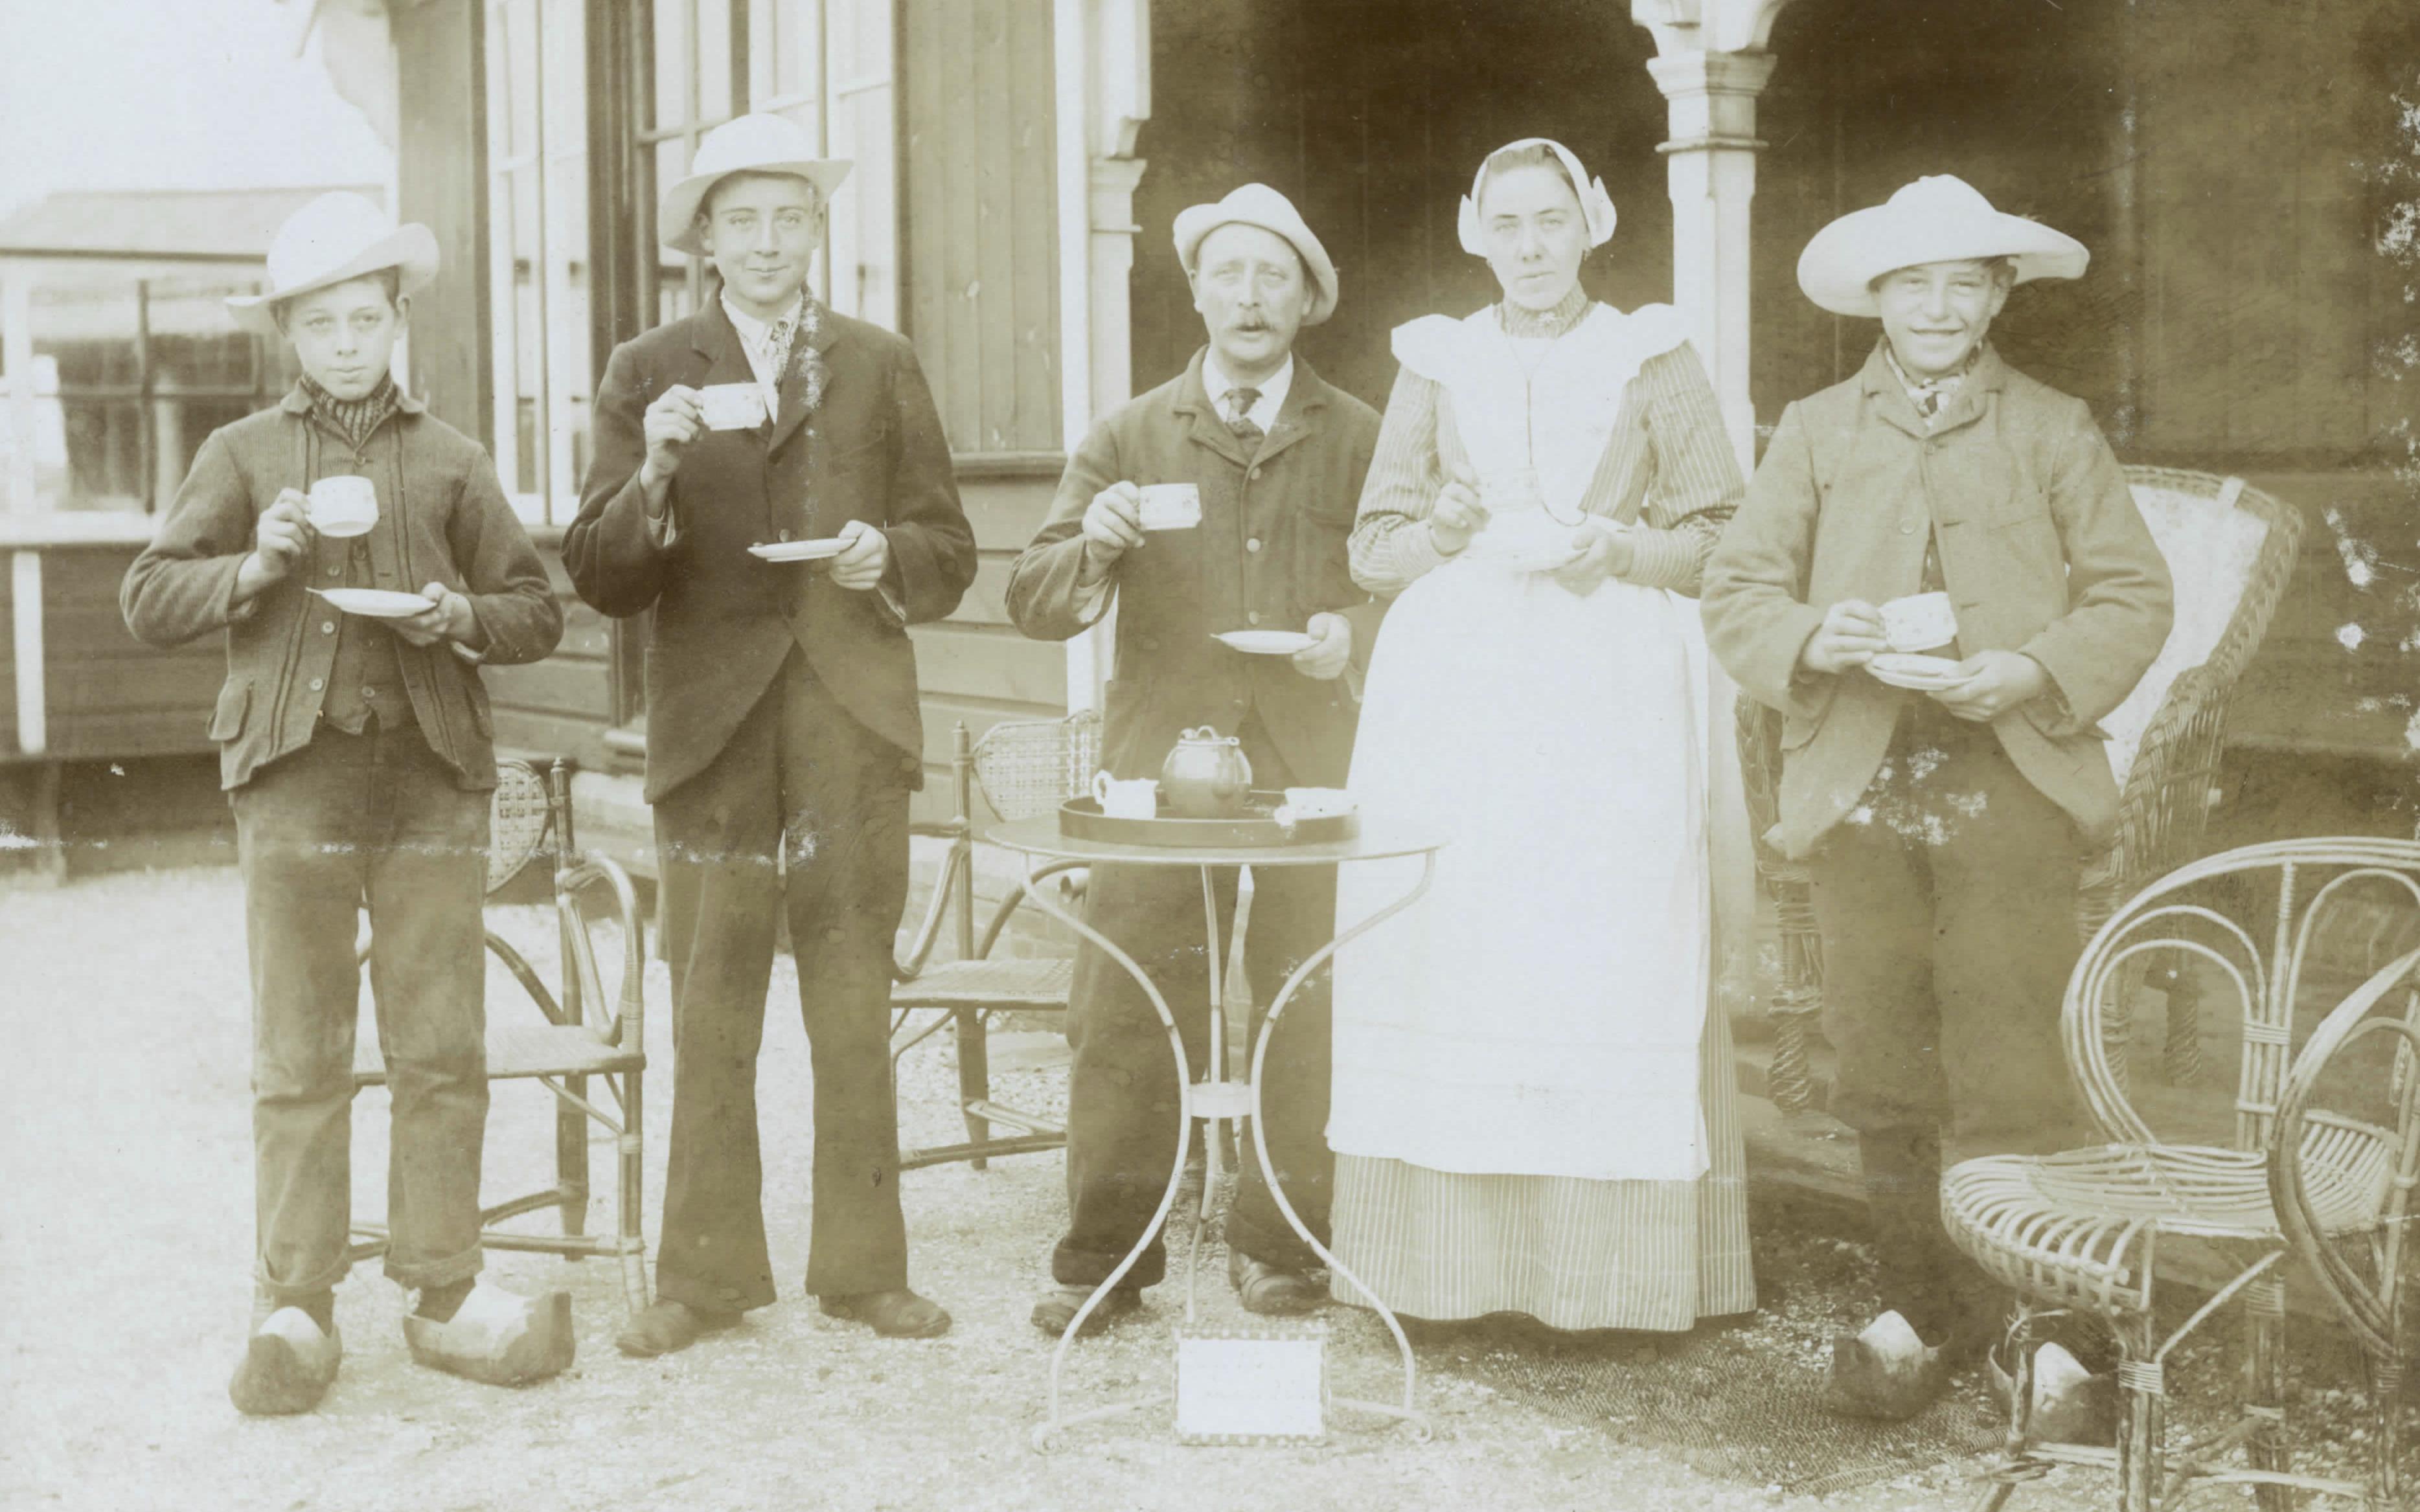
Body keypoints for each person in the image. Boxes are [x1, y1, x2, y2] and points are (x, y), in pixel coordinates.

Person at [1700, 175, 2173, 1418]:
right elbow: (1737, 593)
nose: (1939, 304)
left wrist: (2029, 667)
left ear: (2000, 293)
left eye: (1965, 280)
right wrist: (1819, 633)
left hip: (2007, 765)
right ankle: (1921, 1308)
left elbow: (2133, 598)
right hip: (1860, 774)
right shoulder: (1814, 429)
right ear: (1878, 299)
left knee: (2010, 1038)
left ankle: (2048, 1327)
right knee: (1883, 1045)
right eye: (1914, 283)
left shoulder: (2054, 426)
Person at [121, 192, 570, 1414]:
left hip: (430, 775)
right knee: (299, 1050)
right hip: (293, 779)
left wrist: (460, 618)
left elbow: (538, 610)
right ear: (288, 334)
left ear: (396, 320)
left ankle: (442, 1291)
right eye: (319, 325)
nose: (345, 344)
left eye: (364, 319)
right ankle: (296, 1304)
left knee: (439, 1046)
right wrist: (256, 566)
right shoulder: (242, 456)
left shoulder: (452, 459)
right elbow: (150, 599)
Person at [1326, 139, 1757, 1336]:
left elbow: (1727, 535)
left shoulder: (1649, 354)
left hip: (1606, 691)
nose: (1529, 247)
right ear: (1474, 228)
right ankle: (1445, 1276)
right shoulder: (1434, 361)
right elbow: (1374, 551)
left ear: (1594, 224)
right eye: (1506, 223)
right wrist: (1448, 531)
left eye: (1551, 222)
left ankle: (1609, 1279)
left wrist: (1620, 552)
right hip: (1455, 698)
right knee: (1458, 942)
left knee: (1603, 946)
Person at [563, 113, 977, 1358]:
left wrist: (881, 555)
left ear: (817, 229)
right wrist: (652, 476)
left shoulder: (878, 359)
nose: (767, 242)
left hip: (848, 713)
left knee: (853, 996)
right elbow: (598, 571)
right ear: (705, 240)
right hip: (713, 728)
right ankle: (703, 1279)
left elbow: (949, 551)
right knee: (711, 1001)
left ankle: (862, 1270)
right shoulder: (650, 370)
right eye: (740, 220)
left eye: (789, 217)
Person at [1007, 184, 1384, 1334]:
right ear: (1198, 293)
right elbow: (1032, 598)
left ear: (1308, 302)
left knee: (1304, 997)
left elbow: (1411, 592)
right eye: (1230, 273)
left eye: (1276, 277)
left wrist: (1349, 641)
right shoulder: (1129, 434)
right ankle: (1107, 1260)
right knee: (1129, 1000)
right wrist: (1095, 541)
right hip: (1159, 771)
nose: (1251, 296)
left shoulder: (1361, 433)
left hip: (1312, 761)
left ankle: (1282, 1245)